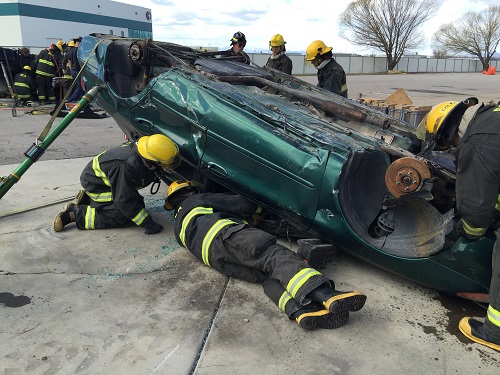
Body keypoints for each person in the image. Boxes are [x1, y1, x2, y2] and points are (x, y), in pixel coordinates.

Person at [164, 181, 367, 330]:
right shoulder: (197, 200)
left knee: (266, 275)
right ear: (189, 191)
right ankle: (327, 296)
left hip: (217, 261)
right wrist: (259, 209)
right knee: (274, 256)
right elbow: (241, 205)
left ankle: (302, 312)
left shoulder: (178, 228)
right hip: (226, 236)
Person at [424, 98, 500, 351]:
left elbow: (477, 208)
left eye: (447, 144)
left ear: (449, 132)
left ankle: (495, 332)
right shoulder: (492, 114)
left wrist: (468, 231)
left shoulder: (476, 142)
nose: (452, 148)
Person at [53, 134, 181, 235]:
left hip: (104, 181)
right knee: (124, 216)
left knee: (138, 205)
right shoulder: (126, 166)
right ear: (152, 161)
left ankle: (87, 199)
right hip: (97, 186)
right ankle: (75, 214)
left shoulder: (143, 152)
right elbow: (123, 200)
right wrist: (147, 223)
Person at [66, 37, 85, 102]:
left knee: (78, 86)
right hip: (78, 71)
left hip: (73, 71)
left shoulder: (71, 51)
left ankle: (79, 99)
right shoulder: (80, 51)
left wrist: (71, 70)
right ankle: (71, 100)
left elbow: (69, 61)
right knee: (81, 87)